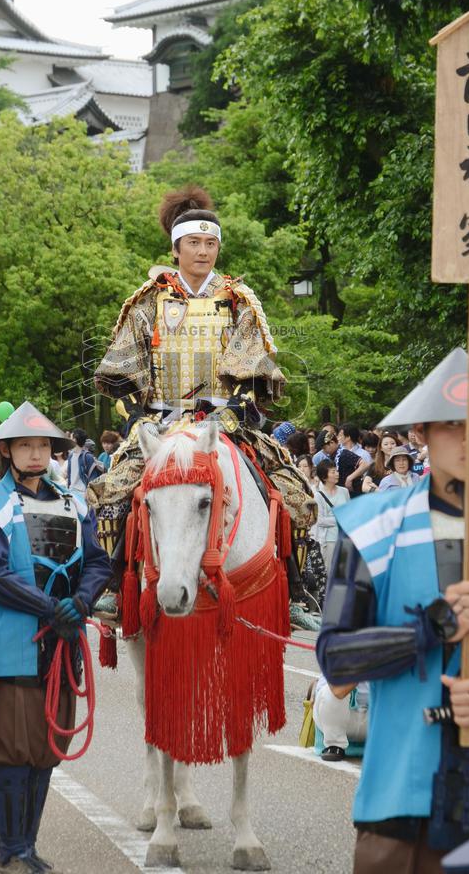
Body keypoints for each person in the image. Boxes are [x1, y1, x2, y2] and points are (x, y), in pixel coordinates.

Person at [317, 347, 469, 873]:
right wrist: (429, 628)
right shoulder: (372, 527)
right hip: (407, 803)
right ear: (421, 432)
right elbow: (337, 662)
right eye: (451, 425)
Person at [89, 184, 315, 620]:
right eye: (193, 243)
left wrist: (231, 414)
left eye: (210, 244)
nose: (203, 251)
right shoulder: (148, 302)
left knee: (293, 492)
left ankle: (295, 593)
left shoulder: (237, 301)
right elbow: (122, 375)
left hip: (224, 422)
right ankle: (114, 585)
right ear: (176, 249)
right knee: (112, 492)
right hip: (160, 424)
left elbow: (253, 374)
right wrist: (140, 418)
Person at [0, 402, 111, 874]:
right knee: (12, 751)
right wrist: (51, 608)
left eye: (43, 445)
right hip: (10, 646)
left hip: (60, 645)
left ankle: (27, 846)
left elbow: (98, 562)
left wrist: (80, 602)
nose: (36, 453)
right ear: (6, 450)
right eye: (25, 445)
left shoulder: (73, 504)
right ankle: (10, 850)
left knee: (45, 751)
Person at [313, 676, 369, 762]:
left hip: (373, 718)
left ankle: (386, 747)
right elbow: (337, 691)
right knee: (331, 692)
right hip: (333, 717)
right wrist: (362, 671)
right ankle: (334, 745)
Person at [312, 459, 350, 572]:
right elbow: (320, 520)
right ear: (324, 477)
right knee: (330, 571)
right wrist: (340, 519)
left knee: (346, 571)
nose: (337, 474)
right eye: (333, 472)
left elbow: (350, 512)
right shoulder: (318, 496)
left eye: (336, 471)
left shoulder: (344, 491)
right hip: (329, 540)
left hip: (345, 538)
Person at [65, 428, 102, 495]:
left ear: (75, 440)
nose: (69, 439)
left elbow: (93, 477)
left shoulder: (87, 456)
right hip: (71, 491)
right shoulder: (70, 456)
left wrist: (89, 493)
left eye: (70, 437)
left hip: (83, 493)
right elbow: (69, 475)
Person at [337, 423, 371, 497]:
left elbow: (368, 474)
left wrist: (350, 478)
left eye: (340, 435)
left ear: (348, 437)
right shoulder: (338, 452)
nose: (338, 438)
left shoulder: (363, 454)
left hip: (359, 492)